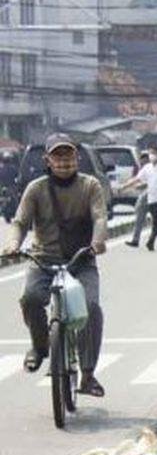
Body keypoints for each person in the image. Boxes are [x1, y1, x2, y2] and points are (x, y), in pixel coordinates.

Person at [2, 134, 107, 397]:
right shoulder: (36, 189)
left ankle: (88, 374)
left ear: (77, 158)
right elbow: (20, 223)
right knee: (30, 299)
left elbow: (100, 217)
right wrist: (12, 244)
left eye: (68, 156)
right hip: (44, 260)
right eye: (58, 157)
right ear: (47, 160)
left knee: (91, 308)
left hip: (81, 260)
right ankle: (39, 348)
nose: (64, 162)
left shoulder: (90, 185)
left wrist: (98, 242)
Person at [118, 147, 157, 250]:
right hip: (151, 197)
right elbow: (136, 179)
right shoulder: (147, 168)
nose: (151, 155)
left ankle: (151, 240)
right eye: (150, 153)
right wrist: (124, 186)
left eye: (153, 153)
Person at [123, 152, 150, 247]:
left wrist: (124, 187)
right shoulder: (144, 169)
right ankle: (137, 239)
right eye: (141, 162)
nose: (142, 164)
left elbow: (144, 182)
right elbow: (137, 179)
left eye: (143, 162)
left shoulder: (150, 168)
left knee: (140, 215)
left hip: (149, 195)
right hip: (147, 194)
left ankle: (137, 239)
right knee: (156, 219)